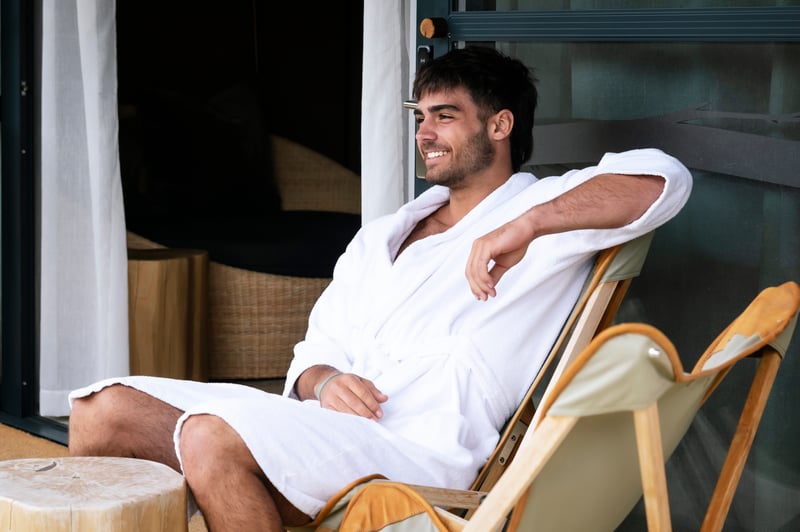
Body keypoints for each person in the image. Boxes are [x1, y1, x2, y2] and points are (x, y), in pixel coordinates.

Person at [68, 46, 692, 531]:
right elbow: (310, 358)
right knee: (100, 411)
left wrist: (525, 225)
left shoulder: (545, 214)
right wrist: (326, 382)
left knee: (210, 436)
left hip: (419, 448)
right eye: (422, 118)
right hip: (323, 428)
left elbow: (666, 178)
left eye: (446, 117)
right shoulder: (381, 238)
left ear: (500, 125)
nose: (425, 133)